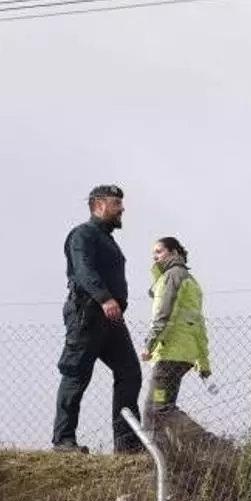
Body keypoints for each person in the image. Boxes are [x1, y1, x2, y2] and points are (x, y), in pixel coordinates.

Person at [52, 185, 143, 454]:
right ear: (99, 205)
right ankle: (63, 440)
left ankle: (127, 444)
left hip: (112, 319)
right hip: (88, 313)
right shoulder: (83, 235)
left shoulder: (107, 239)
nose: (122, 208)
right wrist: (105, 298)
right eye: (116, 203)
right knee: (77, 373)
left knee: (130, 372)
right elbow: (83, 270)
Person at [140, 236, 214, 450]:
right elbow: (198, 325)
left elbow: (163, 314)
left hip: (170, 354)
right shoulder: (190, 280)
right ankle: (166, 455)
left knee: (156, 409)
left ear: (174, 253)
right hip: (183, 356)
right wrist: (202, 361)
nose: (155, 256)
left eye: (159, 251)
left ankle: (208, 444)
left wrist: (149, 344)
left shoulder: (172, 277)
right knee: (162, 407)